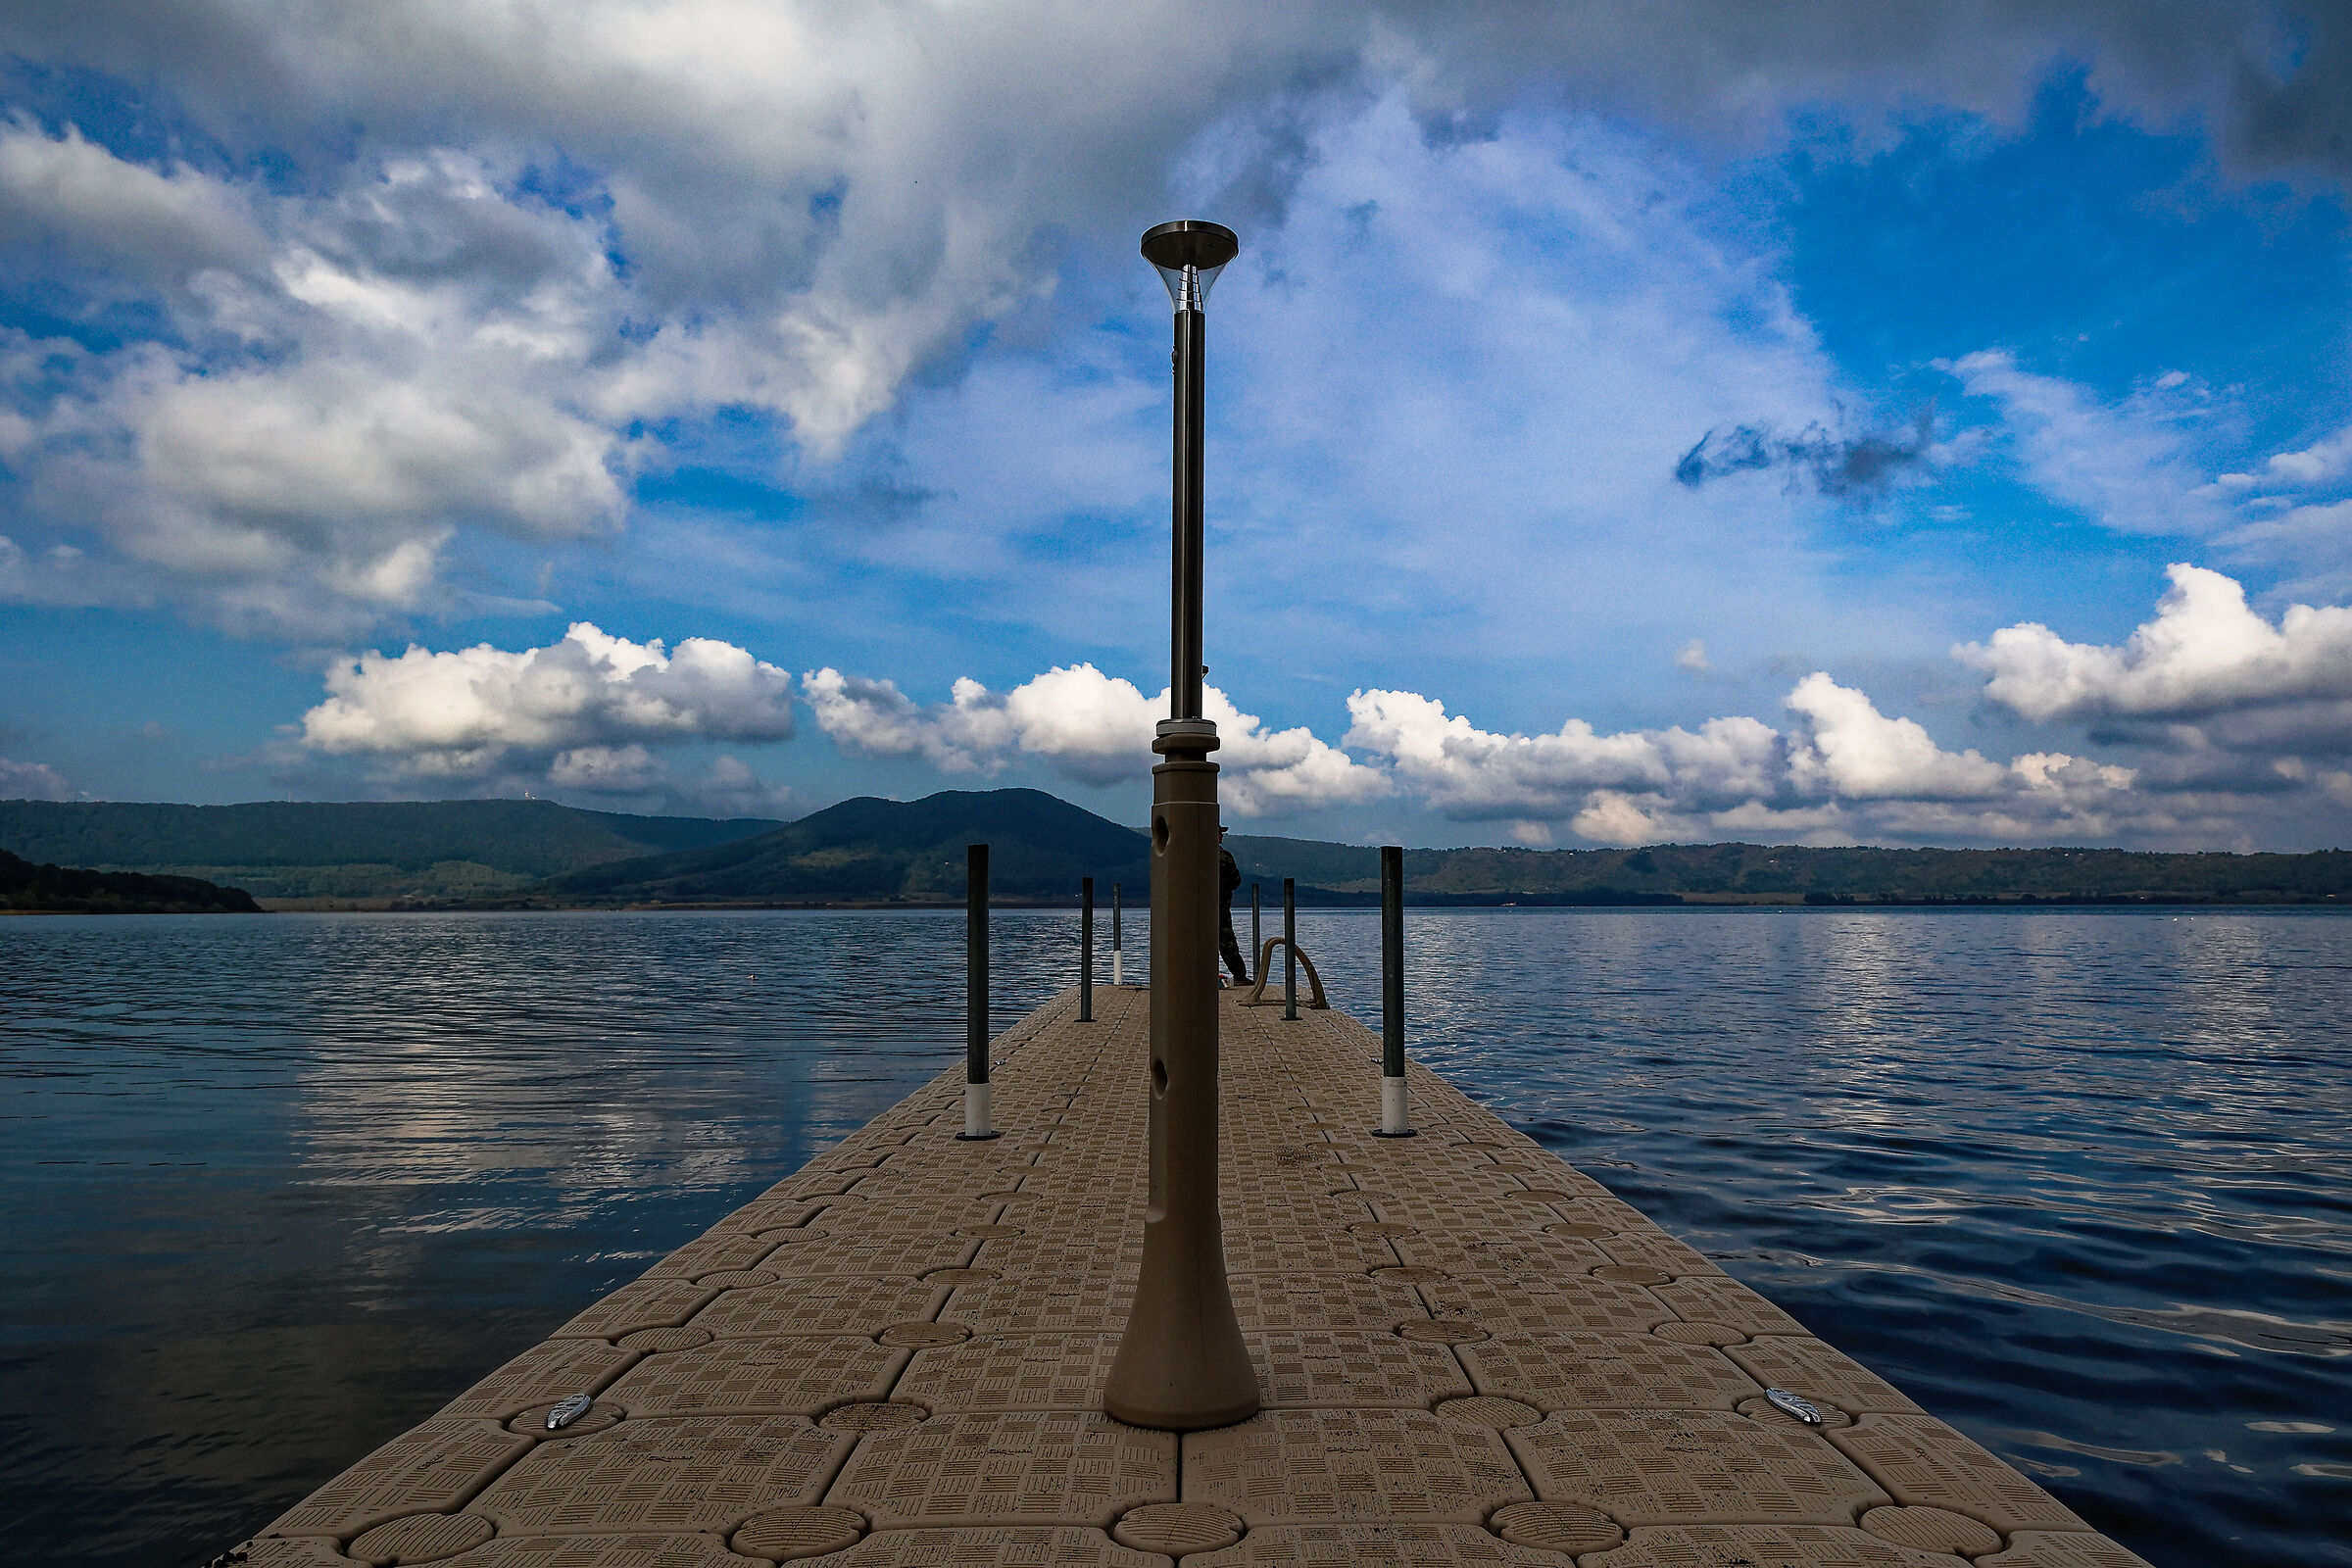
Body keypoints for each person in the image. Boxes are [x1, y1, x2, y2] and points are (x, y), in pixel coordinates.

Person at [1218, 827, 1250, 986]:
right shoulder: (1224, 857)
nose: (1222, 836)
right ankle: (1239, 976)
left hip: (1194, 908)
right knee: (1227, 942)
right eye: (1219, 833)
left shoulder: (1191, 854)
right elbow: (1236, 881)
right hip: (1220, 907)